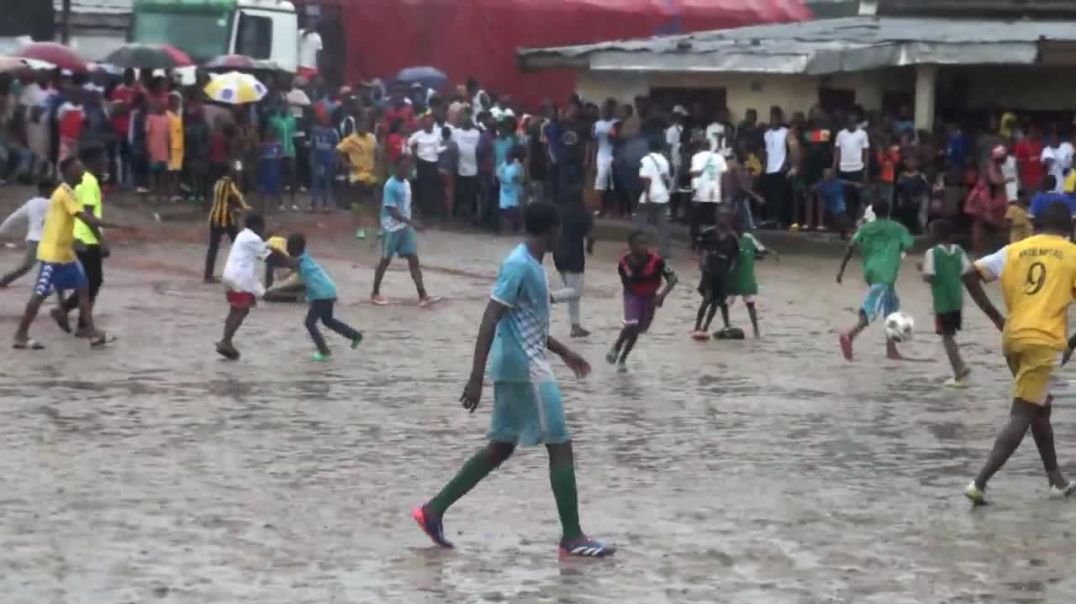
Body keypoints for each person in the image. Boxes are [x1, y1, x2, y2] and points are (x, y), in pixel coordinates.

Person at [412, 201, 615, 558]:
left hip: (519, 364)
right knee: (561, 445)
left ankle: (433, 511)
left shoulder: (530, 265)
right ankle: (572, 536)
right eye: (561, 229)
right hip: (527, 370)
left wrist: (565, 352)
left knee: (500, 447)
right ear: (552, 229)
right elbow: (490, 317)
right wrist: (475, 378)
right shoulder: (519, 266)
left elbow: (527, 323)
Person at [961, 201, 1076, 505]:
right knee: (1023, 413)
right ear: (1069, 228)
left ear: (1036, 225)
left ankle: (1056, 479)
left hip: (1013, 339)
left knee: (1040, 409)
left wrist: (998, 318)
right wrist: (1072, 344)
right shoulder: (1072, 255)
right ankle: (980, 481)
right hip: (1045, 342)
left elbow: (969, 275)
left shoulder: (1013, 251)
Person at [13, 157, 123, 349]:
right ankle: (21, 335)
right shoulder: (63, 194)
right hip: (53, 254)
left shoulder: (70, 193)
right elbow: (85, 218)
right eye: (79, 169)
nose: (83, 173)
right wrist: (115, 225)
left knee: (84, 288)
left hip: (66, 252)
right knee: (39, 295)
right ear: (69, 172)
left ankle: (90, 331)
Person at [836, 199, 914, 362]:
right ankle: (849, 335)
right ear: (889, 210)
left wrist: (841, 270)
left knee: (891, 309)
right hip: (885, 273)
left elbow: (850, 246)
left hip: (871, 272)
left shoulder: (865, 229)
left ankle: (891, 350)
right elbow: (909, 245)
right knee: (872, 309)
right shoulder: (898, 228)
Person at [280, 233, 363, 361]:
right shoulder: (305, 257)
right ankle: (354, 335)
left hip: (321, 294)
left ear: (294, 248)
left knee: (309, 323)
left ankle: (324, 351)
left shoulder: (300, 260)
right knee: (327, 320)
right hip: (328, 290)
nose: (287, 249)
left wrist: (272, 251)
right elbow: (288, 271)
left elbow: (289, 264)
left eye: (288, 247)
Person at [53, 145, 108, 334]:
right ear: (94, 161)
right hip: (86, 238)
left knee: (90, 281)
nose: (106, 163)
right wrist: (101, 241)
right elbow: (88, 215)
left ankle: (70, 314)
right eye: (103, 159)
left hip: (77, 236)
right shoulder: (89, 181)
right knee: (93, 281)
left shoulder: (82, 181)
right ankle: (79, 321)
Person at [371, 156, 439, 307]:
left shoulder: (407, 184)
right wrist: (413, 223)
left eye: (408, 167)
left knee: (413, 259)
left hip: (404, 227)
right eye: (403, 167)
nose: (405, 170)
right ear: (395, 168)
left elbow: (407, 204)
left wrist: (412, 219)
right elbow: (392, 211)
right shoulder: (390, 186)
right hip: (391, 227)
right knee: (385, 260)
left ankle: (422, 295)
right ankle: (375, 292)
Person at [607, 230, 677, 369]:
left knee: (638, 330)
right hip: (632, 296)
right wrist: (634, 299)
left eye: (646, 243)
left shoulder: (657, 261)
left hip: (650, 298)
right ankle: (616, 347)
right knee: (631, 324)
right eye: (640, 243)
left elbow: (673, 279)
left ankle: (623, 359)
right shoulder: (624, 263)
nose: (644, 247)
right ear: (631, 246)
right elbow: (626, 284)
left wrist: (661, 296)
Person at [216, 213, 281, 360]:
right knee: (242, 310)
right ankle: (226, 341)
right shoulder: (253, 238)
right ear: (258, 226)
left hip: (229, 276)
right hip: (240, 279)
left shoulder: (243, 235)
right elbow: (269, 256)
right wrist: (291, 261)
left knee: (236, 309)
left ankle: (226, 340)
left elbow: (260, 242)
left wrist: (270, 233)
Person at [920, 219, 972, 387]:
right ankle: (960, 366)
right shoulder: (959, 251)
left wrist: (921, 270)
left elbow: (930, 277)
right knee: (950, 334)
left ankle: (959, 369)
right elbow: (967, 271)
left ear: (936, 234)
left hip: (942, 301)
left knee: (946, 336)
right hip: (957, 299)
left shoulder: (932, 253)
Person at [692, 206, 740, 340]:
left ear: (730, 219)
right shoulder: (708, 233)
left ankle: (705, 327)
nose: (723, 219)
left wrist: (732, 268)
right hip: (709, 271)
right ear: (716, 217)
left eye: (726, 216)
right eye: (720, 216)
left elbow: (736, 255)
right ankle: (697, 326)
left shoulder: (732, 237)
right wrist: (701, 261)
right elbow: (699, 248)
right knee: (706, 299)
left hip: (723, 273)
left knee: (717, 302)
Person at [552, 198, 595, 338]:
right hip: (574, 255)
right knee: (575, 291)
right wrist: (589, 247)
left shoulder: (560, 212)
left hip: (558, 253)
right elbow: (591, 235)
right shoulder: (585, 214)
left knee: (571, 291)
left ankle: (575, 327)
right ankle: (550, 297)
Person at [0, 180, 52, 288]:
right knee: (53, 266)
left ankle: (4, 280)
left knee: (25, 266)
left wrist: (1, 230)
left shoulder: (32, 203)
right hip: (49, 241)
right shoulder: (54, 203)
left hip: (33, 239)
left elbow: (15, 217)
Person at [204, 163, 250, 283]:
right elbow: (239, 198)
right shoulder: (230, 184)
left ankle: (208, 275)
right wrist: (247, 208)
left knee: (213, 247)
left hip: (214, 217)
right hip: (227, 219)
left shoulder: (217, 184)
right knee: (238, 244)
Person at [336, 118, 378, 238]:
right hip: (357, 175)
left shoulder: (372, 138)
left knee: (375, 201)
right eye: (361, 124)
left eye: (365, 124)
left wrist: (377, 166)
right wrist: (346, 164)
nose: (363, 127)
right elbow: (338, 151)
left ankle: (378, 226)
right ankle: (359, 228)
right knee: (357, 203)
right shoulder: (351, 139)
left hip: (370, 174)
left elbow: (376, 153)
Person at [726, 226, 769, 339]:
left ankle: (728, 326)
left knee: (727, 303)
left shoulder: (744, 237)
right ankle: (755, 330)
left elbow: (762, 251)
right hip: (741, 277)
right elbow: (762, 252)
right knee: (745, 303)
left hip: (740, 277)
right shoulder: (739, 237)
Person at [636, 137, 672, 258]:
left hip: (649, 195)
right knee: (663, 226)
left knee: (641, 224)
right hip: (662, 195)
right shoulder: (664, 160)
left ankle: (639, 249)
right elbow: (667, 178)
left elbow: (646, 179)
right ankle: (665, 251)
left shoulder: (645, 160)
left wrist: (647, 195)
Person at [689, 137, 728, 243]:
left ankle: (695, 241)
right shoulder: (720, 158)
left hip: (700, 192)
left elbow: (695, 175)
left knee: (696, 219)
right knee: (712, 219)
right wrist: (724, 192)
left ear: (701, 146)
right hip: (715, 192)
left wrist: (694, 191)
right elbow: (724, 176)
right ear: (710, 146)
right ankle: (710, 240)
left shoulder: (696, 157)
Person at [409, 112, 443, 222]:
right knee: (422, 188)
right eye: (426, 121)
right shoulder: (418, 135)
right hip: (422, 163)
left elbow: (443, 145)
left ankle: (432, 213)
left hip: (434, 163)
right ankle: (423, 213)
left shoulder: (438, 133)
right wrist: (413, 157)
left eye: (431, 121)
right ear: (423, 123)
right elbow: (409, 144)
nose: (429, 123)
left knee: (433, 189)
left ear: (433, 122)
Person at [834, 115, 870, 220]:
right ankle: (849, 220)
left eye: (853, 122)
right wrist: (833, 167)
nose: (851, 124)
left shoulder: (862, 134)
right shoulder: (841, 134)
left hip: (857, 168)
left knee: (859, 196)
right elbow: (837, 152)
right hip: (844, 169)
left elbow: (866, 152)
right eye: (850, 122)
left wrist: (866, 168)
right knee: (846, 197)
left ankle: (859, 219)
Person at [761, 107, 790, 228]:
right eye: (772, 118)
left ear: (780, 119)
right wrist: (764, 166)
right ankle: (771, 221)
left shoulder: (786, 132)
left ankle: (780, 222)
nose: (774, 120)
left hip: (780, 169)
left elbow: (789, 151)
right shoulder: (766, 134)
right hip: (769, 169)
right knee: (770, 197)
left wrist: (784, 165)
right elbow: (766, 152)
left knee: (780, 198)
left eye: (776, 118)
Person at [308, 110, 340, 212]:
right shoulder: (315, 131)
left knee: (327, 183)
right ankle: (313, 204)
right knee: (315, 182)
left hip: (328, 160)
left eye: (326, 118)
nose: (325, 120)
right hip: (317, 159)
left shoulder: (333, 132)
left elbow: (336, 147)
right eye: (323, 118)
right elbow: (312, 146)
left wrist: (336, 160)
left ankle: (326, 205)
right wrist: (311, 158)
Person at [593, 99, 617, 215]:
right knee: (601, 181)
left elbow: (615, 139)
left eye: (609, 108)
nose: (606, 111)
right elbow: (593, 142)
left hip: (614, 155)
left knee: (613, 183)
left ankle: (612, 208)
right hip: (601, 155)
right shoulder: (597, 124)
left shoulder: (616, 123)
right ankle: (602, 208)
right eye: (604, 108)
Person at [145, 100, 171, 202]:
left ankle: (161, 193)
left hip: (163, 150)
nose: (161, 108)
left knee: (162, 173)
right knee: (153, 172)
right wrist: (148, 148)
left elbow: (168, 136)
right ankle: (153, 192)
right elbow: (147, 134)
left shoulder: (167, 119)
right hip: (153, 149)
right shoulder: (150, 118)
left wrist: (169, 148)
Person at [496, 144, 524, 233]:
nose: (507, 155)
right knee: (505, 216)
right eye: (507, 153)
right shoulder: (503, 164)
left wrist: (518, 178)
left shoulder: (517, 166)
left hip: (514, 197)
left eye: (509, 154)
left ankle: (516, 228)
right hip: (504, 197)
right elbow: (498, 175)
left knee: (514, 214)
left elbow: (521, 179)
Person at [166, 93, 184, 202]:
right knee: (170, 172)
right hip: (171, 145)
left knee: (177, 171)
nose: (178, 103)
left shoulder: (178, 114)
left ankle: (175, 193)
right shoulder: (168, 115)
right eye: (176, 101)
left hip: (179, 146)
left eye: (179, 101)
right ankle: (170, 193)